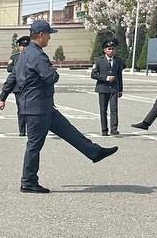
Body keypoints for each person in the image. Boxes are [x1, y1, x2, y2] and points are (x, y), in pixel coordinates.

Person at [14, 20, 119, 193]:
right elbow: (50, 77)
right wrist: (53, 70)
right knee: (34, 145)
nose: (49, 38)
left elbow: (13, 77)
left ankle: (95, 152)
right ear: (41, 35)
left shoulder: (24, 53)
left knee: (69, 131)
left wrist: (4, 96)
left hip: (41, 106)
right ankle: (28, 181)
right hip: (37, 108)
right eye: (48, 35)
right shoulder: (37, 55)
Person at [0, 35, 30, 136]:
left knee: (32, 109)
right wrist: (19, 67)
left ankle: (32, 130)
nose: (24, 47)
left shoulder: (34, 57)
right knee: (21, 109)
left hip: (30, 87)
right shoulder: (15, 57)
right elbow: (9, 69)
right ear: (19, 47)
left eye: (26, 45)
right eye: (22, 45)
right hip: (18, 88)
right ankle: (22, 131)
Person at [90, 39, 124, 136]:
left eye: (113, 49)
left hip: (114, 88)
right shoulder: (99, 60)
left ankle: (114, 129)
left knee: (114, 109)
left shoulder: (118, 61)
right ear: (105, 50)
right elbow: (93, 74)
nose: (111, 51)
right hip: (103, 88)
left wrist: (120, 89)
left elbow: (119, 76)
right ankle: (104, 130)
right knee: (103, 110)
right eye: (109, 49)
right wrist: (106, 78)